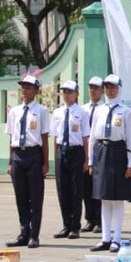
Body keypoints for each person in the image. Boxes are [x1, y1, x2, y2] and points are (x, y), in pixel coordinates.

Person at [88, 74, 131, 253]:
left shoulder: (126, 111)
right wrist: (91, 160)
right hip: (102, 151)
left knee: (116, 199)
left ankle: (116, 238)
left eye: (113, 87)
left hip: (118, 152)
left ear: (119, 89)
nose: (109, 90)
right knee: (104, 198)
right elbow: (93, 136)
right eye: (106, 87)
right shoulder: (99, 110)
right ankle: (105, 238)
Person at [6, 75, 52, 249]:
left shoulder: (41, 111)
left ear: (36, 91)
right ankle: (24, 232)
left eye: (28, 87)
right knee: (21, 196)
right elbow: (11, 137)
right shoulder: (14, 111)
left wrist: (45, 163)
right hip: (18, 154)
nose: (24, 90)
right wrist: (10, 161)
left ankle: (35, 234)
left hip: (34, 155)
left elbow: (44, 137)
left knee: (35, 197)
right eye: (22, 87)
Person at [50, 80, 90, 240]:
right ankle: (66, 224)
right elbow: (55, 137)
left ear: (77, 94)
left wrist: (87, 160)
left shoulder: (82, 112)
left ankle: (75, 226)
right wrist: (55, 157)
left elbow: (85, 137)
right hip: (62, 151)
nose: (67, 94)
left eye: (70, 92)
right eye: (64, 92)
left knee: (75, 190)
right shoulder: (58, 113)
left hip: (76, 151)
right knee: (62, 190)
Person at [80, 76, 105, 233]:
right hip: (83, 149)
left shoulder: (104, 109)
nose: (92, 90)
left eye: (96, 87)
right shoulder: (82, 109)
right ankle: (89, 218)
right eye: (90, 87)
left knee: (99, 185)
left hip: (99, 149)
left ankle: (99, 219)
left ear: (102, 90)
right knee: (85, 187)